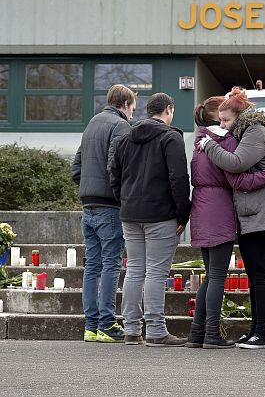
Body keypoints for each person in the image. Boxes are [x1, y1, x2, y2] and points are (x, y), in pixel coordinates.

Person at [187, 96, 265, 349]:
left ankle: (197, 334)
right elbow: (238, 179)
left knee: (209, 276)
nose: (226, 125)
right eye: (224, 120)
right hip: (220, 211)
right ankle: (211, 335)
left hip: (201, 207)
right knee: (217, 276)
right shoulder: (223, 142)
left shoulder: (199, 142)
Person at [110, 92, 190, 347]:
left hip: (131, 213)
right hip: (160, 214)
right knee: (156, 271)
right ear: (168, 109)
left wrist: (124, 201)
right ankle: (156, 329)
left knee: (134, 269)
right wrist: (183, 213)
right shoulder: (171, 138)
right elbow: (178, 179)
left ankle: (131, 329)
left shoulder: (125, 138)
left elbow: (114, 174)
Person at [71, 84, 136, 343]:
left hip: (88, 205)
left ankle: (91, 325)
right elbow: (116, 165)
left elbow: (76, 167)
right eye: (133, 106)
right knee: (111, 263)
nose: (133, 112)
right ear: (126, 103)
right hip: (109, 205)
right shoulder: (121, 126)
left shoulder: (92, 123)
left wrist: (89, 187)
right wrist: (120, 194)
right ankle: (107, 325)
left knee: (93, 266)